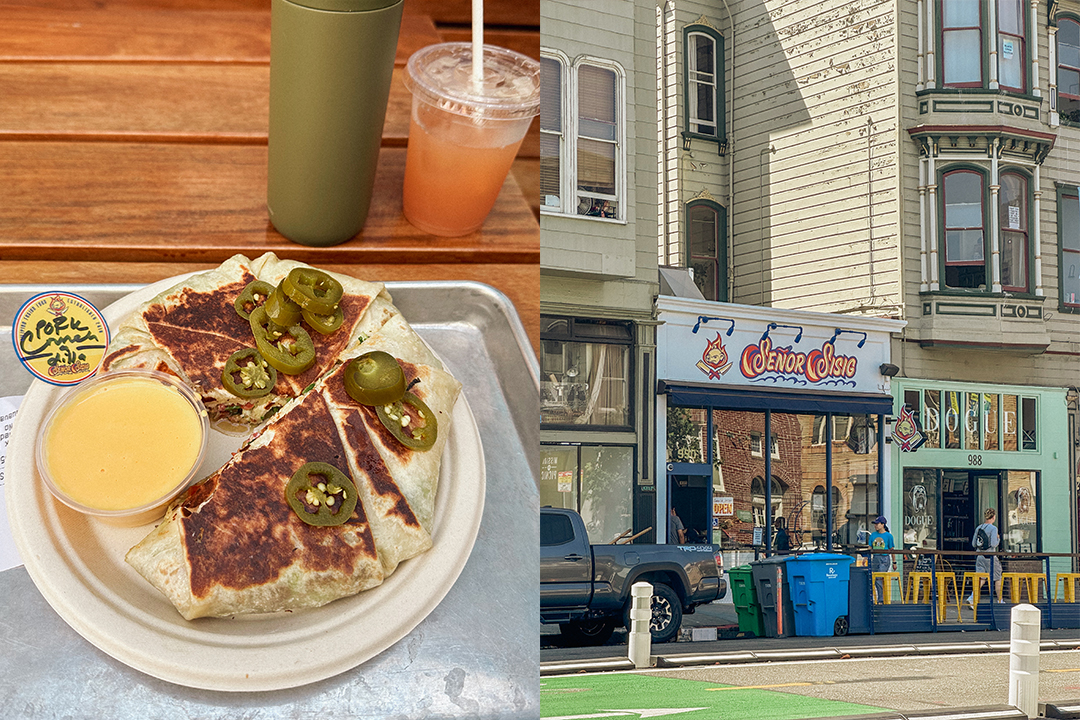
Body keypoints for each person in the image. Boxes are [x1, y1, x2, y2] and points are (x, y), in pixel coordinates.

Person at [967, 507, 1003, 605]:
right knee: (997, 577)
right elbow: (993, 544)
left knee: (981, 578)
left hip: (979, 556)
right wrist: (998, 538)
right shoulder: (993, 528)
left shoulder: (979, 528)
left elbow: (974, 544)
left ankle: (972, 597)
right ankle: (1000, 601)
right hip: (990, 556)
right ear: (993, 517)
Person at [868, 515, 895, 602]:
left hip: (884, 558)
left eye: (877, 524)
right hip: (875, 558)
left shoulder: (888, 536)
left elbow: (891, 549)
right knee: (873, 578)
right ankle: (874, 598)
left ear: (883, 524)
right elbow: (870, 547)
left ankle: (880, 600)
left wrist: (894, 562)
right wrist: (865, 558)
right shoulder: (872, 535)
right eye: (875, 524)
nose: (875, 526)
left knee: (879, 578)